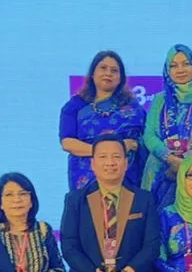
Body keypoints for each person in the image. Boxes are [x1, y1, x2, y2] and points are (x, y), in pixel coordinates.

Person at [60, 138, 162, 272]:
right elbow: (69, 246)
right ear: (92, 163)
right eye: (103, 157)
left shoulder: (144, 199)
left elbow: (152, 246)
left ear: (126, 162)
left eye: (116, 156)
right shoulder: (75, 200)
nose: (110, 162)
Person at [141, 44, 192, 210]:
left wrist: (187, 161)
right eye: (174, 65)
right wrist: (170, 158)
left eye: (186, 64)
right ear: (167, 70)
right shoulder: (159, 100)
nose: (180, 70)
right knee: (158, 219)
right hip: (162, 168)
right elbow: (149, 135)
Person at [59, 49, 145, 192]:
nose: (108, 73)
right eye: (103, 68)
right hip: (86, 179)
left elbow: (144, 140)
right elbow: (67, 143)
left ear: (120, 78)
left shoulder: (133, 107)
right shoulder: (75, 106)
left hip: (126, 178)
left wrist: (133, 145)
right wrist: (106, 153)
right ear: (93, 74)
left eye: (114, 70)